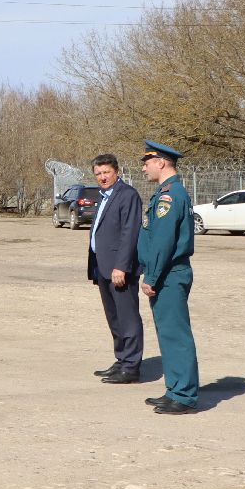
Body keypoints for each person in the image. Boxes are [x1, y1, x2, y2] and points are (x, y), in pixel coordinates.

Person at [137, 142, 201, 415]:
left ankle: (184, 395)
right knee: (167, 334)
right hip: (166, 272)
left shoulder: (170, 196)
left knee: (176, 335)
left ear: (161, 162)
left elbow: (163, 241)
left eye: (147, 162)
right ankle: (175, 389)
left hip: (168, 274)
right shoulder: (166, 193)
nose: (143, 167)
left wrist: (150, 276)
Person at [86, 154, 145, 386]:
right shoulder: (103, 196)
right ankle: (121, 359)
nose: (102, 177)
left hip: (119, 269)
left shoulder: (127, 195)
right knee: (114, 316)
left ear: (116, 172)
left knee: (127, 317)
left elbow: (129, 233)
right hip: (103, 266)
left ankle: (131, 365)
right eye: (98, 173)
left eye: (106, 172)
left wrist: (121, 265)